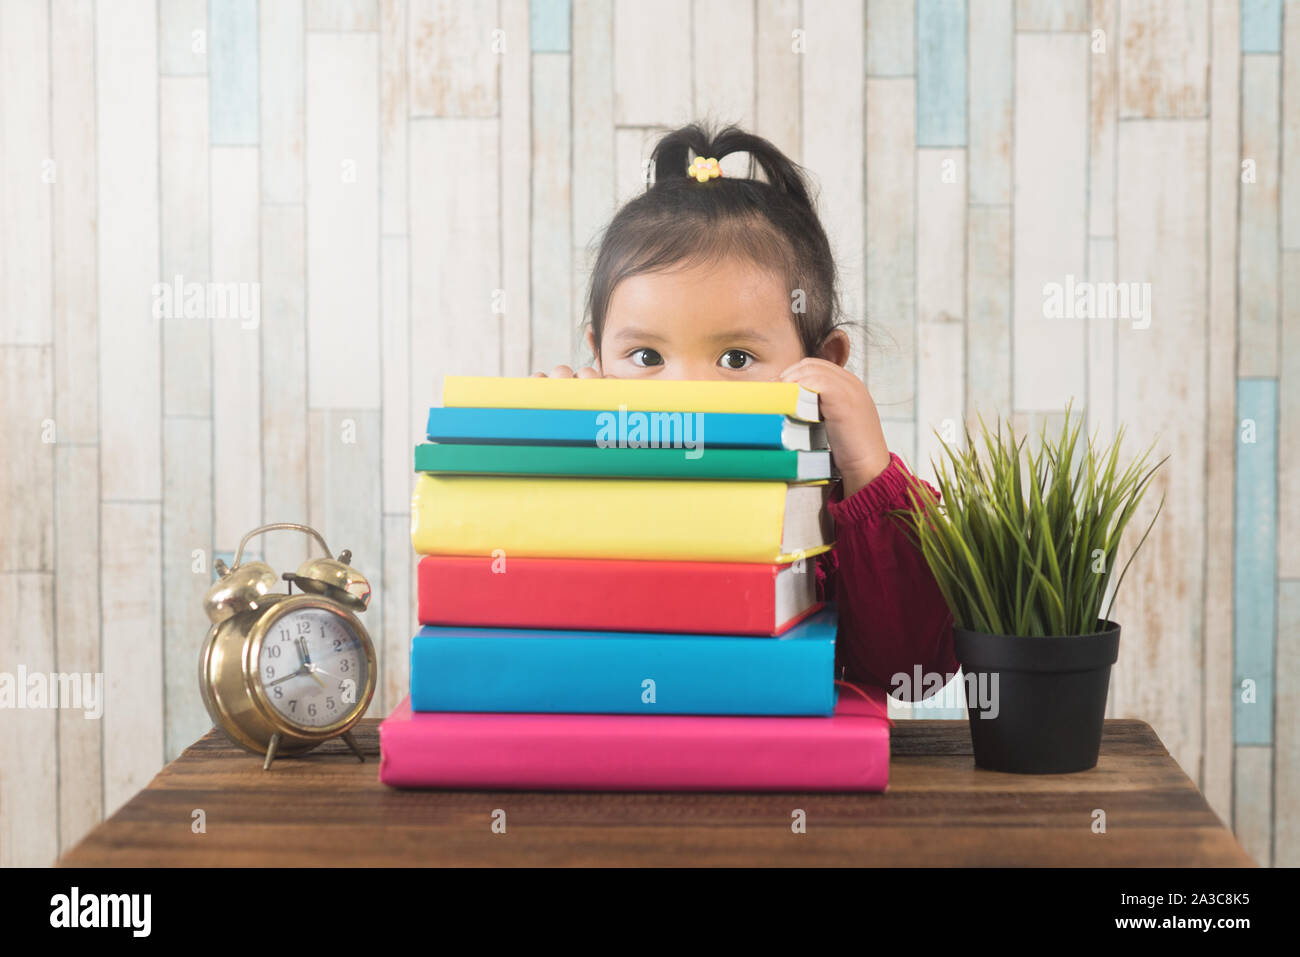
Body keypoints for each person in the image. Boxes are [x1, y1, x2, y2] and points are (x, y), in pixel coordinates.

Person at [535, 123, 958, 699]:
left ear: (822, 363)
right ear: (598, 357)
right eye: (647, 355)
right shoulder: (589, 458)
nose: (687, 391)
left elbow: (911, 673)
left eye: (735, 357)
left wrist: (867, 471)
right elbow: (537, 644)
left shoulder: (835, 505)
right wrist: (543, 455)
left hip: (789, 770)